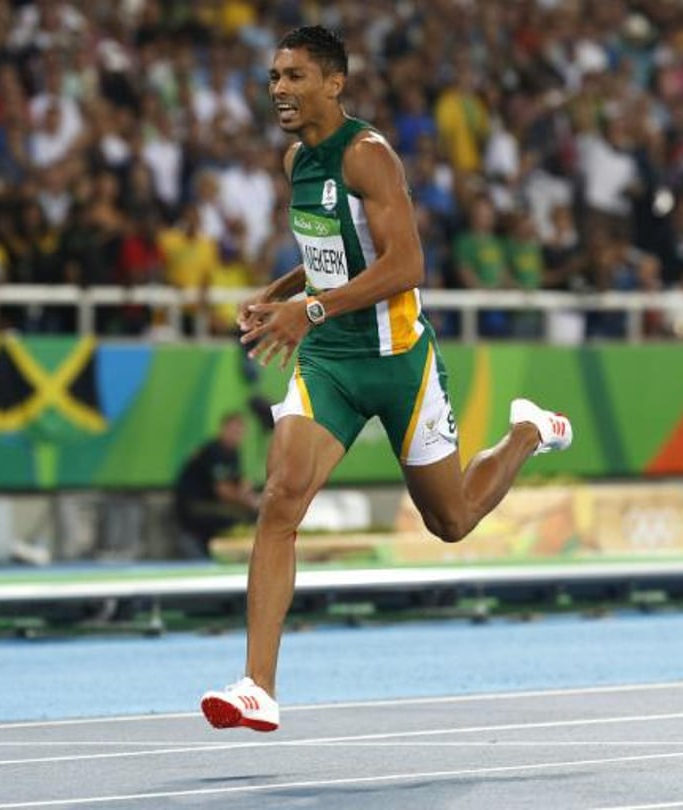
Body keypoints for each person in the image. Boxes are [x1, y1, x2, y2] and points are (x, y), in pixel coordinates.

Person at [199, 26, 573, 733]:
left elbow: (404, 267)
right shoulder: (296, 161)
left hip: (400, 364)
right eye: (274, 76)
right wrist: (282, 293)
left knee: (452, 521)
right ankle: (257, 685)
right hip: (329, 365)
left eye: (294, 76)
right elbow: (329, 256)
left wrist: (304, 309)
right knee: (280, 500)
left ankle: (528, 431)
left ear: (333, 83)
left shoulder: (369, 157)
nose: (278, 88)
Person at [173, 412, 259, 559]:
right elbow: (223, 491)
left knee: (251, 514)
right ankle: (212, 553)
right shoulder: (213, 451)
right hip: (195, 505)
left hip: (210, 503)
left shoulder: (233, 453)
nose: (236, 435)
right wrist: (250, 502)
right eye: (233, 430)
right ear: (223, 429)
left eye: (239, 432)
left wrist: (251, 495)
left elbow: (240, 482)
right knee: (240, 517)